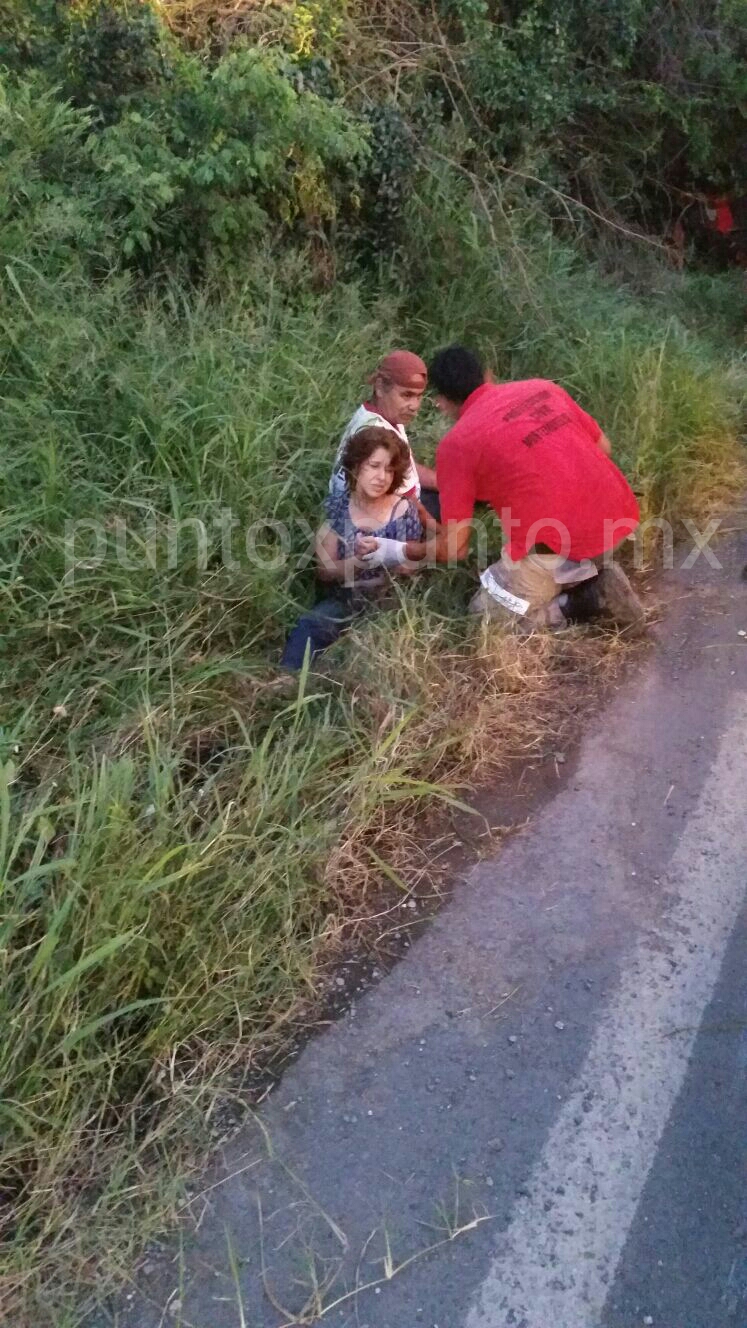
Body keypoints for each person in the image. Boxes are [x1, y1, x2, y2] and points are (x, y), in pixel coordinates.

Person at [361, 345, 645, 632]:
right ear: (488, 374)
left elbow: (454, 548)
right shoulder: (543, 388)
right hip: (620, 520)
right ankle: (582, 573)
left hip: (566, 545)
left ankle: (588, 599)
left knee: (483, 619)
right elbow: (603, 448)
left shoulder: (458, 444)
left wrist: (397, 551)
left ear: (442, 402)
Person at [281, 427, 424, 670]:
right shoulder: (337, 506)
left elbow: (410, 567)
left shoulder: (404, 510)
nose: (382, 477)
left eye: (389, 470)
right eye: (374, 466)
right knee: (309, 625)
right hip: (344, 597)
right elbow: (324, 571)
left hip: (388, 600)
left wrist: (386, 552)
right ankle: (286, 680)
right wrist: (360, 560)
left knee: (378, 653)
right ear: (356, 466)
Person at [330, 350, 441, 521]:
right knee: (454, 505)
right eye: (407, 395)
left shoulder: (385, 417)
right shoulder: (376, 432)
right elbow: (407, 501)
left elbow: (407, 467)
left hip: (386, 506)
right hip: (372, 526)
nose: (414, 406)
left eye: (419, 397)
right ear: (380, 387)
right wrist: (440, 534)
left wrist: (443, 482)